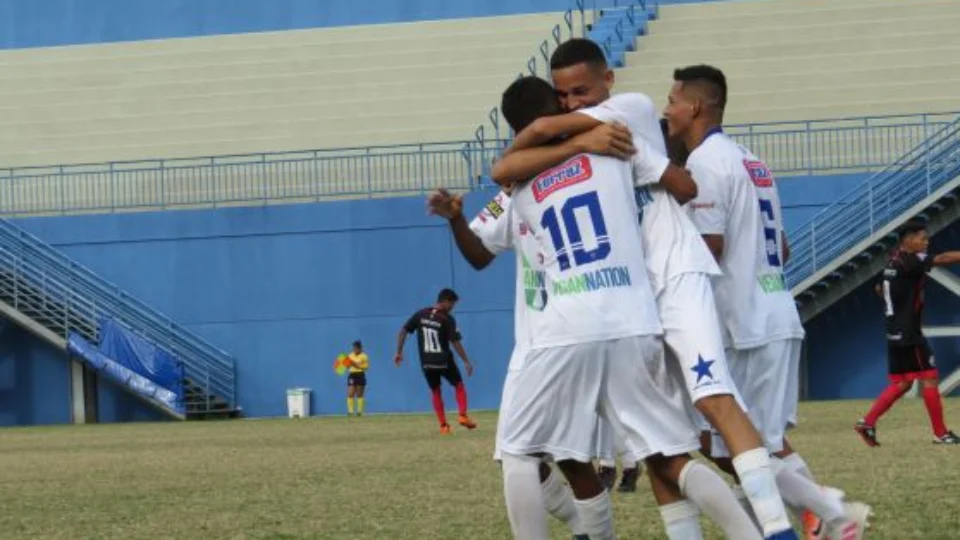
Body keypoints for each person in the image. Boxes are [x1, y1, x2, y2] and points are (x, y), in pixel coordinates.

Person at [492, 38, 794, 540]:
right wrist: (587, 143)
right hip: (635, 315)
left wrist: (554, 138)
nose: (574, 104)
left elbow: (500, 174)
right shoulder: (616, 146)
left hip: (571, 323)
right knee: (668, 454)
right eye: (564, 97)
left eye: (580, 92)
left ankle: (789, 522)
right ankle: (762, 531)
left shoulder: (528, 180)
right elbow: (683, 185)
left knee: (520, 452)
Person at [666, 63, 871, 539]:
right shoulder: (750, 160)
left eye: (673, 101)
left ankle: (832, 512)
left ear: (694, 106)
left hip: (743, 322)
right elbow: (783, 247)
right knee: (756, 443)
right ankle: (819, 519)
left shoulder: (705, 164)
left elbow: (710, 246)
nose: (667, 109)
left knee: (725, 443)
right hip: (774, 308)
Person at [426, 185, 595, 540]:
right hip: (535, 343)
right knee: (537, 455)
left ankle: (591, 531)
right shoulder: (510, 193)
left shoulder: (578, 175)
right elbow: (479, 253)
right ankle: (586, 529)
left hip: (570, 335)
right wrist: (456, 219)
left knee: (546, 455)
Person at [855, 219, 960, 445]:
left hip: (893, 330)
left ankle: (867, 422)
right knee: (930, 377)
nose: (926, 242)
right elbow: (943, 258)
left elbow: (878, 288)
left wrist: (900, 302)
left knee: (903, 383)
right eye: (923, 238)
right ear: (909, 240)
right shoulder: (912, 261)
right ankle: (941, 433)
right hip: (909, 332)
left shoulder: (892, 261)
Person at [395, 288, 477, 434]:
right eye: (452, 304)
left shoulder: (420, 314)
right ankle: (463, 416)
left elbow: (403, 331)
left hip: (426, 362)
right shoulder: (447, 319)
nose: (452, 308)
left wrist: (399, 352)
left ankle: (444, 426)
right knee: (458, 385)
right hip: (443, 360)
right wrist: (466, 361)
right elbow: (455, 341)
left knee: (435, 391)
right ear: (445, 301)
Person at [345, 340, 369, 416]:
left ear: (360, 348)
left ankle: (359, 412)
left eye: (356, 348)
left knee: (359, 394)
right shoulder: (350, 355)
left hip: (360, 374)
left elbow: (366, 367)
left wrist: (355, 365)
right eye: (353, 348)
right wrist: (346, 364)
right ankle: (350, 412)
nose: (354, 350)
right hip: (352, 375)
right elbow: (347, 366)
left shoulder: (364, 356)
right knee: (350, 393)